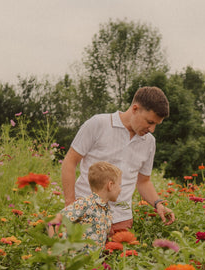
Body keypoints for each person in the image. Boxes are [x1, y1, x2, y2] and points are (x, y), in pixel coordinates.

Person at [61, 86, 175, 235]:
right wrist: (71, 204)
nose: (152, 129)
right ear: (135, 109)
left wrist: (158, 203)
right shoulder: (98, 124)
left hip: (122, 220)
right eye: (149, 122)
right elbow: (70, 161)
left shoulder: (149, 142)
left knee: (118, 258)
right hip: (86, 214)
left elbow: (143, 181)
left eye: (155, 125)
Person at [48, 161, 122, 251]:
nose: (120, 189)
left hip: (92, 262)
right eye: (119, 185)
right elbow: (54, 220)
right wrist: (55, 248)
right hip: (75, 261)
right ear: (110, 185)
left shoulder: (106, 210)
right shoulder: (85, 204)